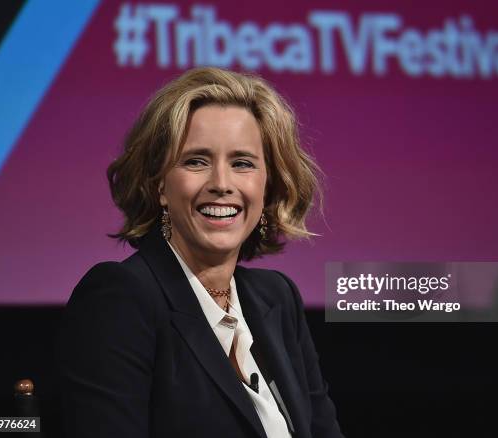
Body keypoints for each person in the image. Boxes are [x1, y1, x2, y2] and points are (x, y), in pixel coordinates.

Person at [58, 67, 343, 438]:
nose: (221, 184)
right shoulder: (121, 298)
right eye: (196, 161)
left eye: (242, 163)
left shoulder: (278, 298)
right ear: (160, 184)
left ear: (267, 184)